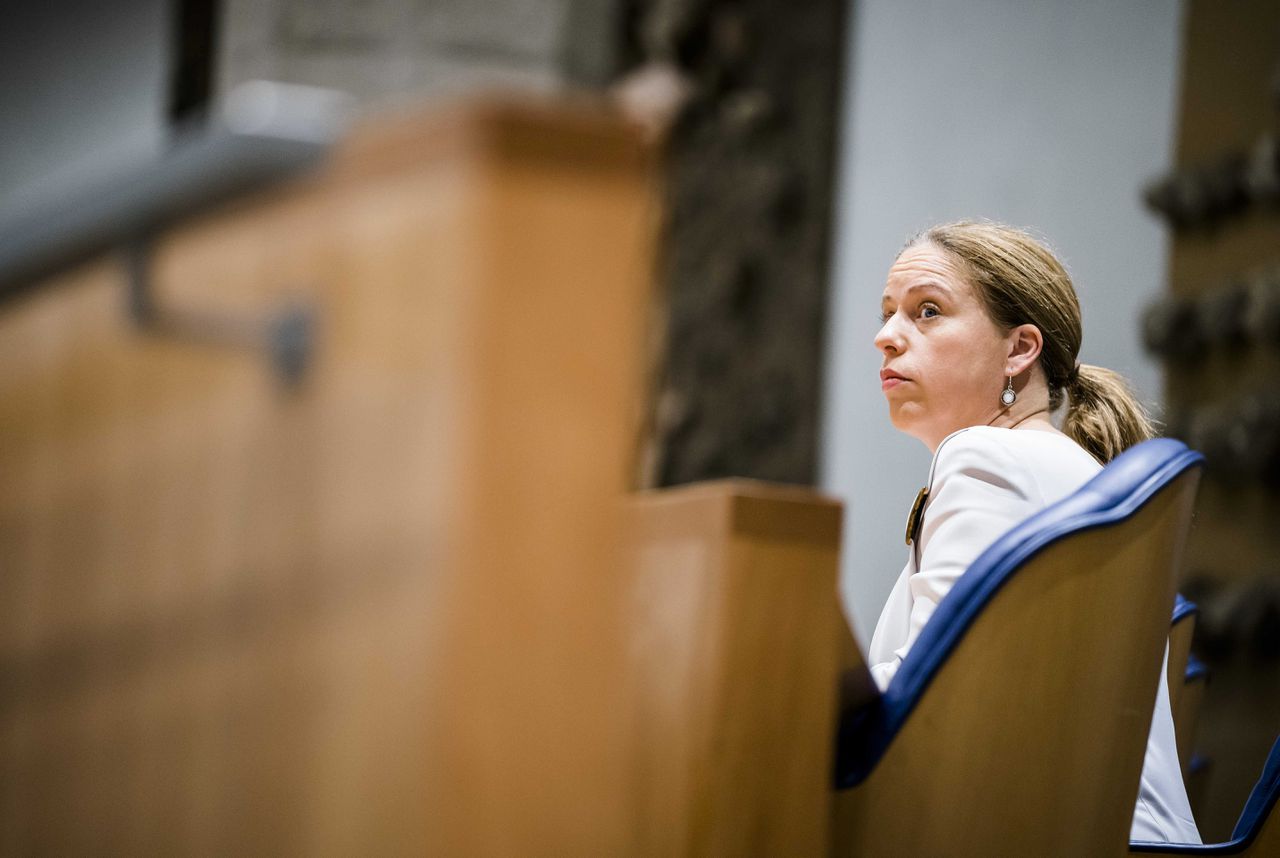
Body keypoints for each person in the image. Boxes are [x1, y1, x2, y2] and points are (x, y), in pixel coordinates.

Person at [866, 220, 1200, 844]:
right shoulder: (1061, 464)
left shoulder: (987, 458)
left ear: (1020, 349)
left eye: (927, 311)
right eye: (888, 314)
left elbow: (931, 700)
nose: (886, 337)